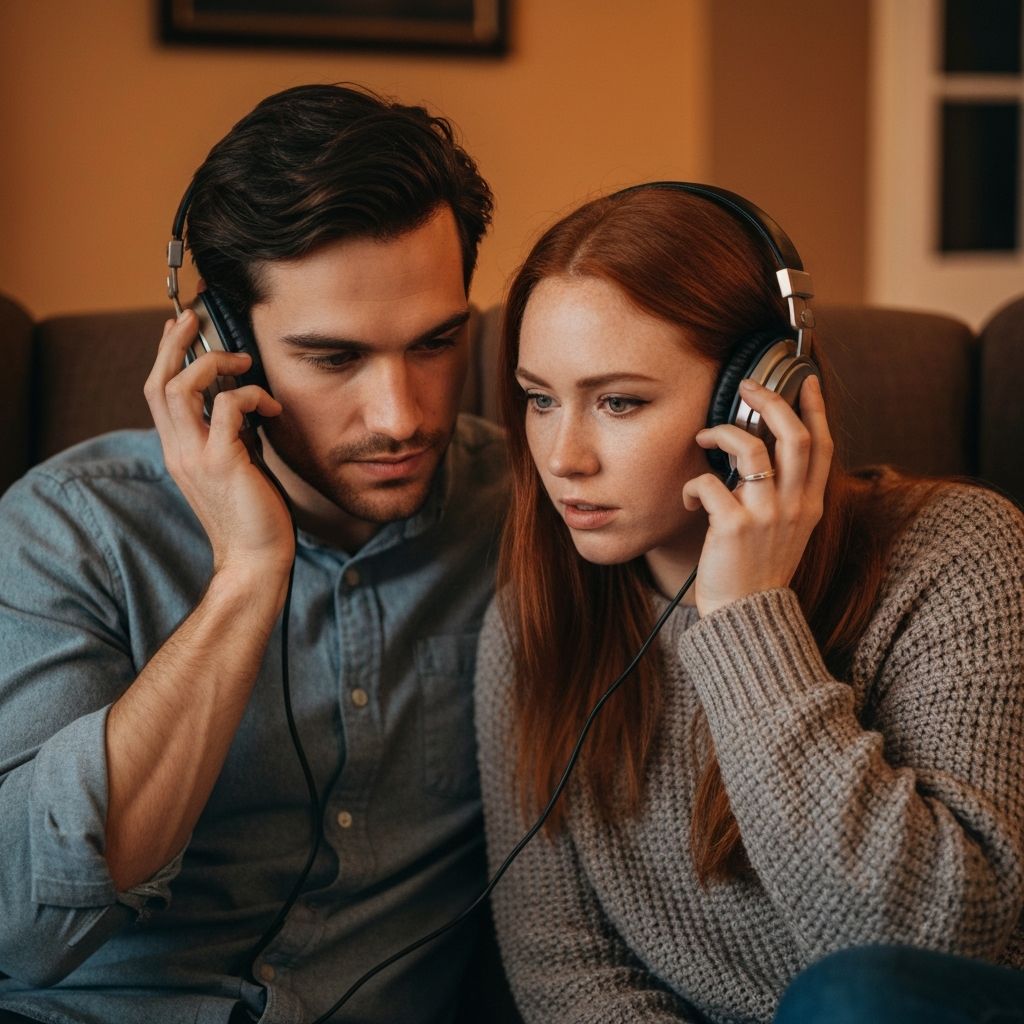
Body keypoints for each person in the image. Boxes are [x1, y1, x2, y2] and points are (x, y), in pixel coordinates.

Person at [0, 84, 508, 1023]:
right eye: (335, 358)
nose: (401, 416)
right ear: (221, 345)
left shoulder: (531, 518)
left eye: (437, 343)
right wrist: (246, 576)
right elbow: (24, 930)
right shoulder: (69, 530)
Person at [474, 182, 1024, 1023]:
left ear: (758, 401)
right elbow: (568, 971)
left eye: (619, 402)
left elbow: (925, 943)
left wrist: (746, 619)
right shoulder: (531, 624)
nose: (562, 456)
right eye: (539, 398)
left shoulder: (959, 553)